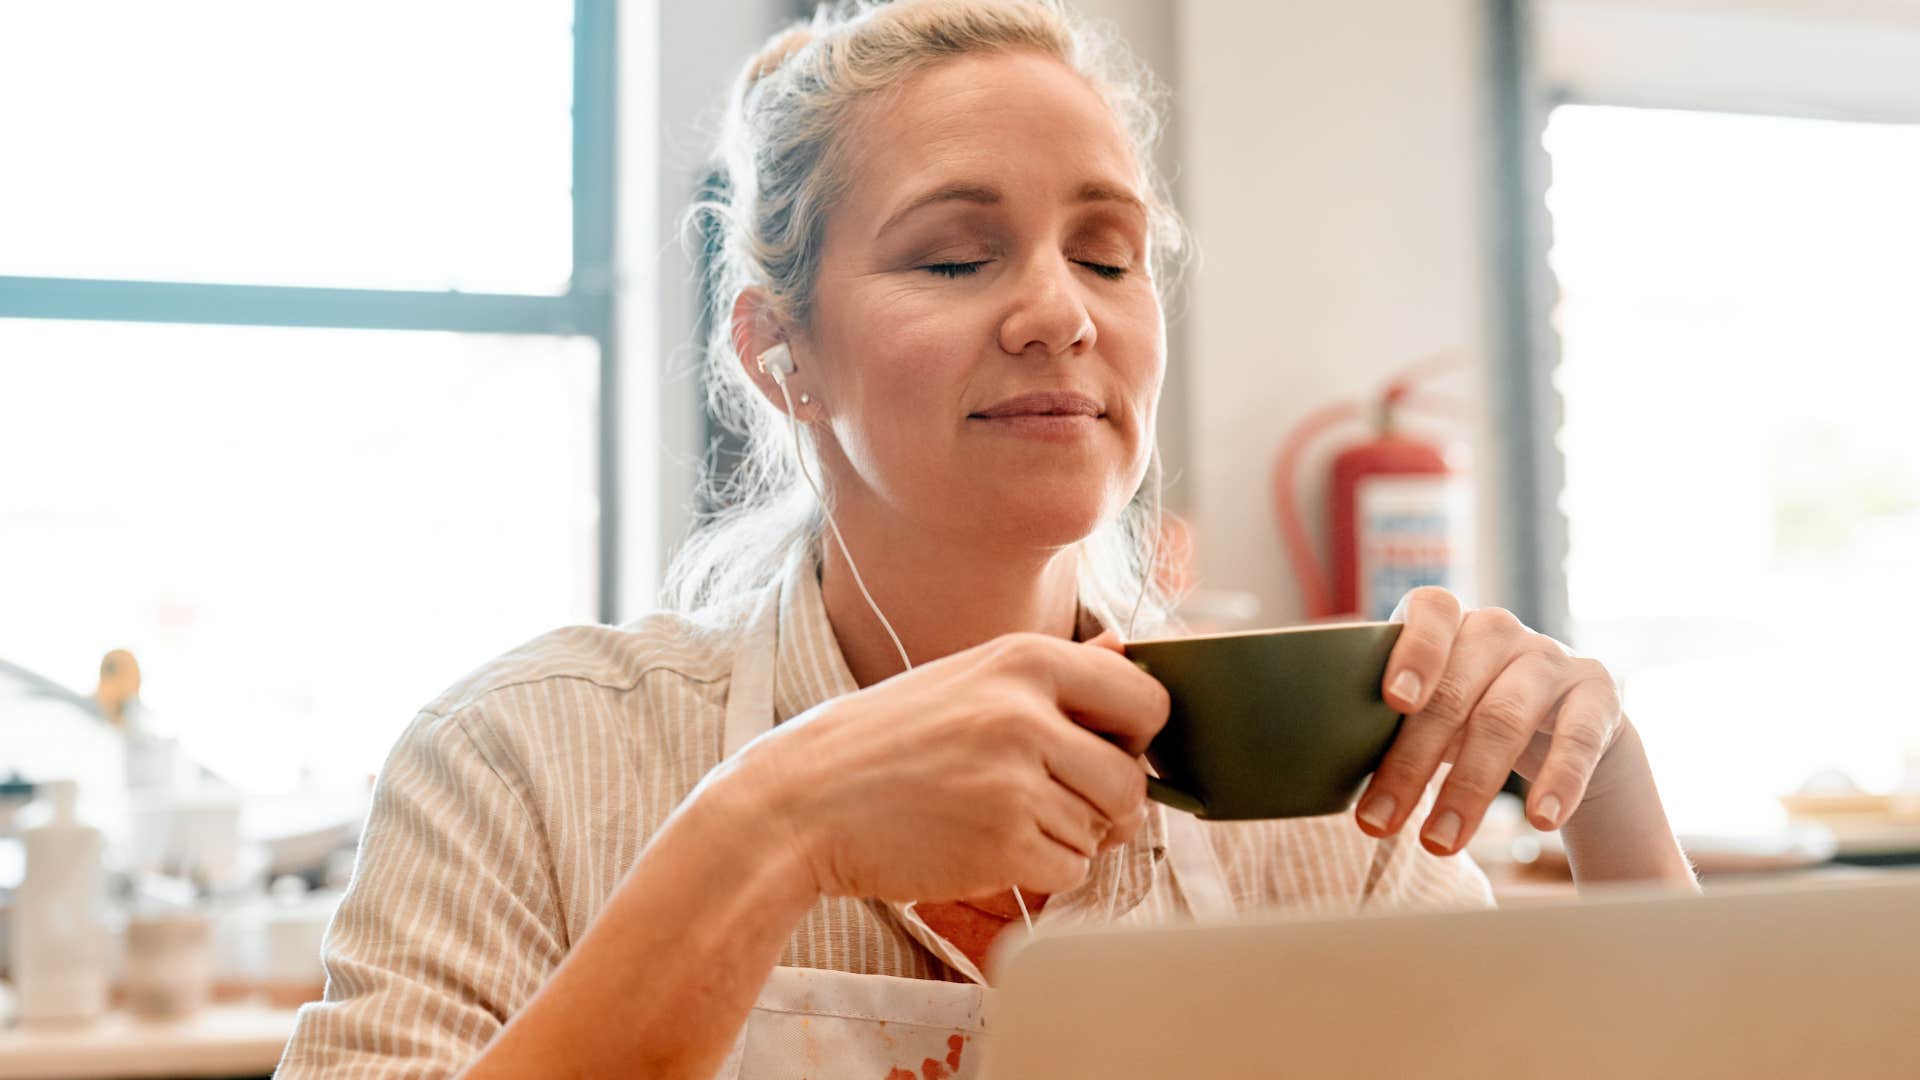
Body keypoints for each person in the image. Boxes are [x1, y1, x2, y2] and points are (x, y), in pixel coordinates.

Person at [275, 1, 1695, 1076]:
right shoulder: (524, 760)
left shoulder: (1320, 782)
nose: (1058, 314)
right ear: (780, 355)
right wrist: (772, 831)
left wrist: (1607, 788)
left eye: (1105, 254)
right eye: (955, 257)